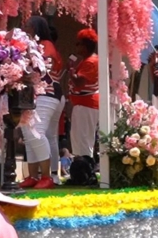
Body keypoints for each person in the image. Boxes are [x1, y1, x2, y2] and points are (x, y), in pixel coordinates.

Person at [19, 16, 63, 190]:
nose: (24, 28)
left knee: (36, 132)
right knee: (28, 134)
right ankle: (32, 176)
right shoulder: (32, 45)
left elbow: (38, 67)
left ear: (36, 28)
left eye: (28, 25)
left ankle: (46, 176)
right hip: (33, 93)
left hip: (47, 92)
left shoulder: (45, 45)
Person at [68, 28, 100, 159]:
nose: (76, 46)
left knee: (83, 139)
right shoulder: (86, 60)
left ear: (85, 46)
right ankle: (82, 168)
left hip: (86, 105)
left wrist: (70, 71)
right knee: (79, 139)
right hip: (83, 105)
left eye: (78, 44)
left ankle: (86, 170)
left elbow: (79, 83)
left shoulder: (90, 62)